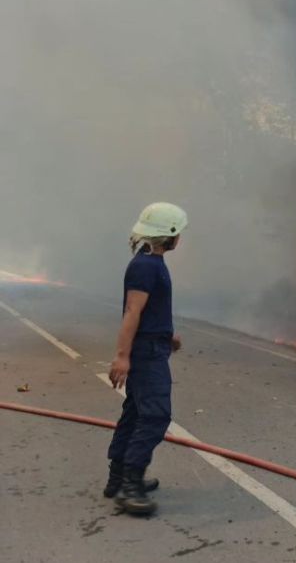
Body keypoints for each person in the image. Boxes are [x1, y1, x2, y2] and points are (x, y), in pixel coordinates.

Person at [104, 202, 188, 516]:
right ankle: (131, 485)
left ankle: (117, 477)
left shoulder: (149, 261)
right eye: (178, 231)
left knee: (136, 412)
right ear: (169, 235)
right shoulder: (147, 266)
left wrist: (167, 336)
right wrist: (122, 357)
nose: (181, 237)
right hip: (145, 355)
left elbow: (149, 312)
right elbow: (132, 312)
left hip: (153, 346)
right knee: (155, 416)